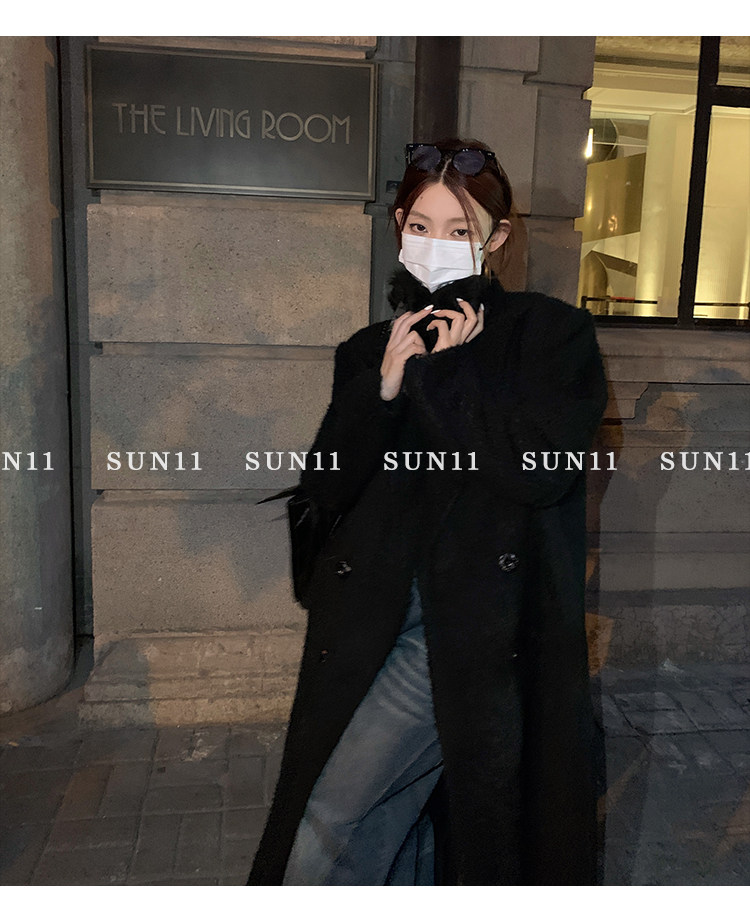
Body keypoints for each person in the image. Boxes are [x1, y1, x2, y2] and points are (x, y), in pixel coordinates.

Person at [247, 138, 609, 886]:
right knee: (394, 820)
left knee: (332, 817)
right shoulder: (368, 348)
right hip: (368, 621)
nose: (434, 244)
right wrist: (380, 392)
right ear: (398, 228)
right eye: (419, 225)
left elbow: (540, 474)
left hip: (475, 636)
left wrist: (447, 375)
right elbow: (326, 492)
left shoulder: (550, 335)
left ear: (497, 238)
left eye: (458, 229)